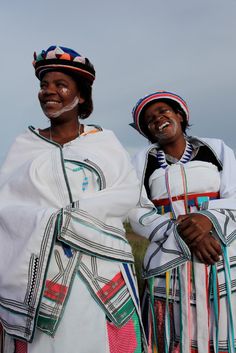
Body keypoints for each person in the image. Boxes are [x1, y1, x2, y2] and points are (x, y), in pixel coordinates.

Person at [0, 45, 147, 353]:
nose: (48, 91)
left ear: (81, 96)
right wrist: (48, 222)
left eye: (60, 85)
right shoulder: (24, 146)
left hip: (102, 272)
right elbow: (7, 206)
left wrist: (71, 218)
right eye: (44, 85)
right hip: (41, 274)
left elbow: (127, 191)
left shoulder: (103, 143)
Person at [128, 90, 236, 353]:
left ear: (179, 115)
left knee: (224, 327)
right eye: (150, 119)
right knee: (173, 335)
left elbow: (234, 195)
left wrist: (206, 219)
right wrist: (186, 234)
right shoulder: (141, 163)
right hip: (169, 258)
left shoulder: (216, 149)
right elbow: (135, 208)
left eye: (164, 111)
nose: (158, 119)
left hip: (219, 251)